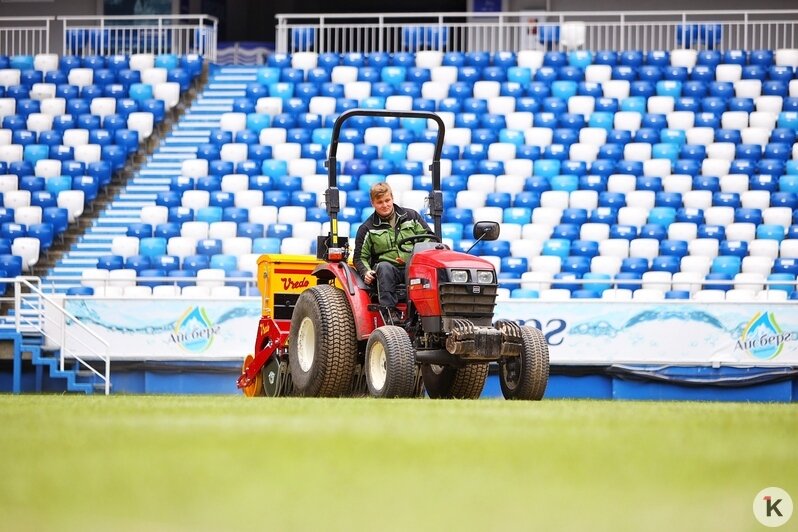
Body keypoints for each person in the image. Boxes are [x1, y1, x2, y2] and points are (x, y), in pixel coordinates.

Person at [353, 182, 433, 321]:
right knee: (384, 267)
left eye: (387, 200)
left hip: (413, 267)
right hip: (389, 271)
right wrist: (365, 271)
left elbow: (429, 240)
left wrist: (413, 258)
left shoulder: (412, 216)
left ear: (392, 198)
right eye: (379, 202)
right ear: (373, 203)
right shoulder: (367, 228)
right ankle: (390, 313)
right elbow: (360, 257)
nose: (385, 205)